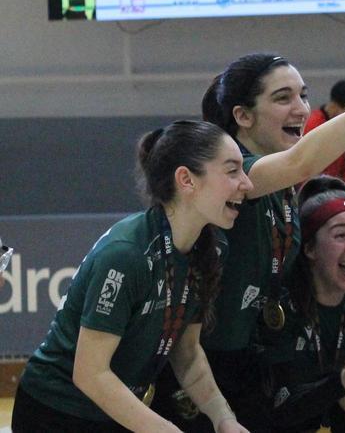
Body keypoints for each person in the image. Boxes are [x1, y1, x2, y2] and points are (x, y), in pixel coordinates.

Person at [151, 53, 345, 432]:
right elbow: (301, 162)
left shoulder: (281, 192)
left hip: (250, 361)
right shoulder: (232, 173)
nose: (300, 109)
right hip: (196, 364)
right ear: (243, 116)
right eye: (283, 98)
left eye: (303, 95)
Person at [13, 121, 252, 433]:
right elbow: (90, 374)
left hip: (116, 412)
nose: (247, 183)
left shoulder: (213, 248)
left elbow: (188, 354)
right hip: (56, 414)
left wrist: (224, 418)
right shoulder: (126, 254)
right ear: (186, 179)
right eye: (232, 170)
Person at [259, 184, 345, 433]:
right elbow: (281, 409)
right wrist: (342, 382)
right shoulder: (282, 310)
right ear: (309, 249)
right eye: (341, 235)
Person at [303, 80, 345, 194]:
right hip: (314, 193)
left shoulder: (339, 129)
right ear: (335, 106)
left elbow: (343, 171)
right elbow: (305, 170)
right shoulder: (312, 126)